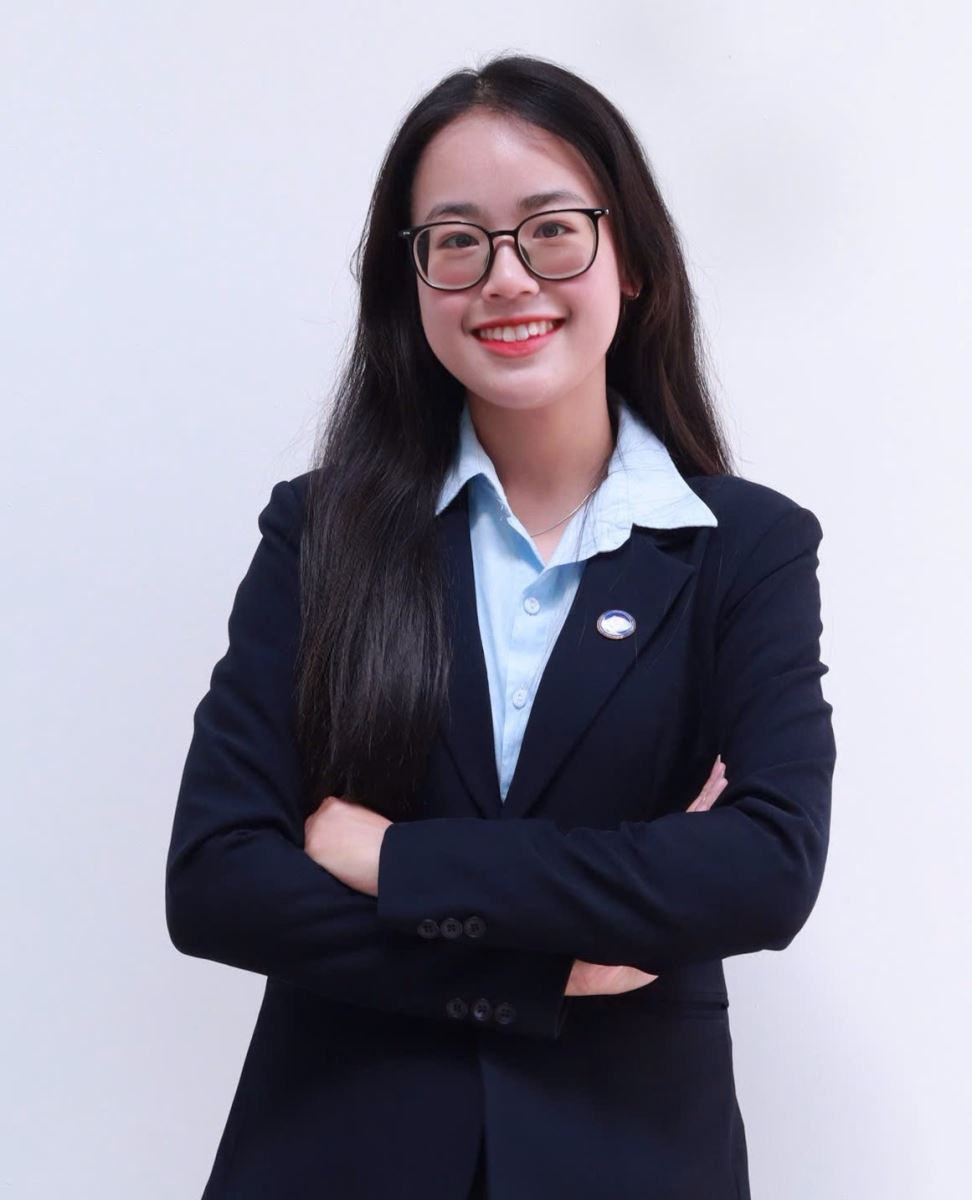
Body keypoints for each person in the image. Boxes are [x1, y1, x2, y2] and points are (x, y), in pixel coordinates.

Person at [165, 53, 836, 1200]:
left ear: (634, 263)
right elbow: (218, 879)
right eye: (458, 240)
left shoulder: (746, 547)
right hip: (337, 1154)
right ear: (413, 280)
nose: (506, 277)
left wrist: (394, 860)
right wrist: (545, 970)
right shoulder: (319, 531)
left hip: (627, 1161)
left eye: (552, 230)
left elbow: (764, 869)